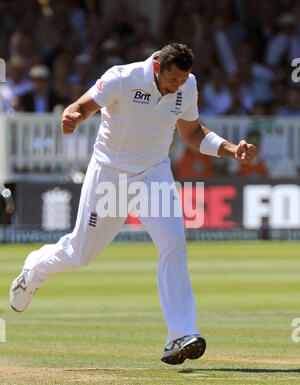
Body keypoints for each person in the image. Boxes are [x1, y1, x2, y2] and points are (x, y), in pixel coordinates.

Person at [10, 43, 257, 365]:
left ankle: (179, 334)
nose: (176, 87)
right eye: (172, 80)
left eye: (183, 80)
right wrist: (73, 117)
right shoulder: (122, 78)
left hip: (153, 173)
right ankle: (36, 268)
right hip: (110, 173)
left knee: (174, 245)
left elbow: (193, 133)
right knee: (81, 254)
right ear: (157, 67)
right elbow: (82, 106)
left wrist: (230, 149)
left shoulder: (188, 86)